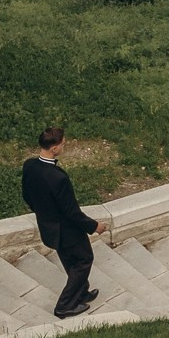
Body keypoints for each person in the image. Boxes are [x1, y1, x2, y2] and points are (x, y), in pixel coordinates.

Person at [21, 127, 109, 318]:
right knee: (84, 260)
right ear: (54, 148)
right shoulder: (58, 177)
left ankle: (81, 292)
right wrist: (94, 226)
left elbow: (27, 196)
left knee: (70, 260)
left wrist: (43, 212)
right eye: (62, 144)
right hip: (67, 231)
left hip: (49, 227)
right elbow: (72, 212)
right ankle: (64, 306)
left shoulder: (29, 166)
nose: (64, 146)